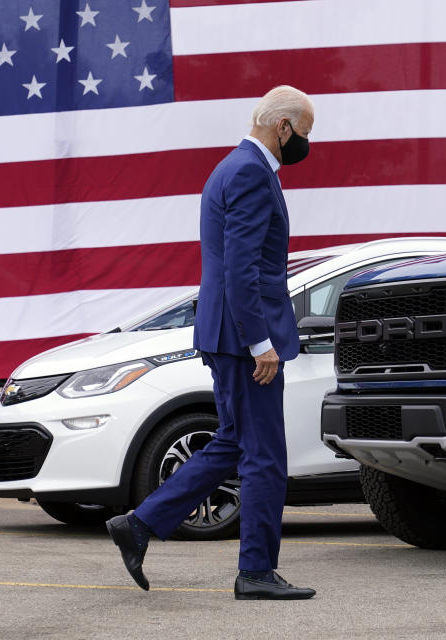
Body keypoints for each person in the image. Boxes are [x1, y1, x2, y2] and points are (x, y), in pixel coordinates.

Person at [106, 85, 316, 600]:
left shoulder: (232, 167)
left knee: (234, 443)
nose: (306, 146)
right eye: (305, 134)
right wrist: (259, 342)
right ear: (283, 127)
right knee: (265, 457)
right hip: (244, 339)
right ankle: (257, 572)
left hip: (227, 335)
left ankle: (140, 525)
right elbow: (240, 269)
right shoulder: (250, 172)